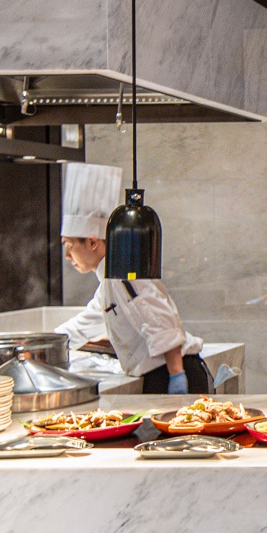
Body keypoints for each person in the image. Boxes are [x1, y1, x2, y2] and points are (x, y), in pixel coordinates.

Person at [55, 161, 208, 394]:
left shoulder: (123, 273)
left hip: (170, 373)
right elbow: (85, 324)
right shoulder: (109, 282)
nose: (67, 256)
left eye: (69, 245)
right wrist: (43, 345)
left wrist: (177, 376)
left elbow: (160, 318)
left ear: (93, 242)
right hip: (162, 373)